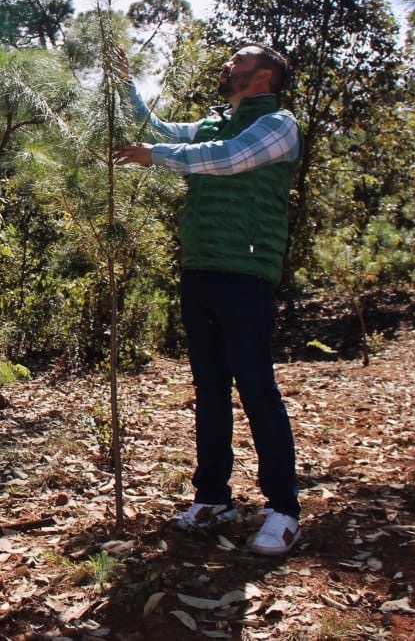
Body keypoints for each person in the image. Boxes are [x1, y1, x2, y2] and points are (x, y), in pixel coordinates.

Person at [114, 44, 302, 556]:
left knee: (256, 386)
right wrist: (125, 82)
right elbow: (161, 129)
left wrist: (156, 157)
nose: (227, 67)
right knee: (211, 386)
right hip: (200, 268)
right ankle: (213, 497)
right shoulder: (216, 122)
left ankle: (283, 508)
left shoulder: (279, 124)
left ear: (263, 75)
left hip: (247, 272)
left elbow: (230, 160)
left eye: (237, 62)